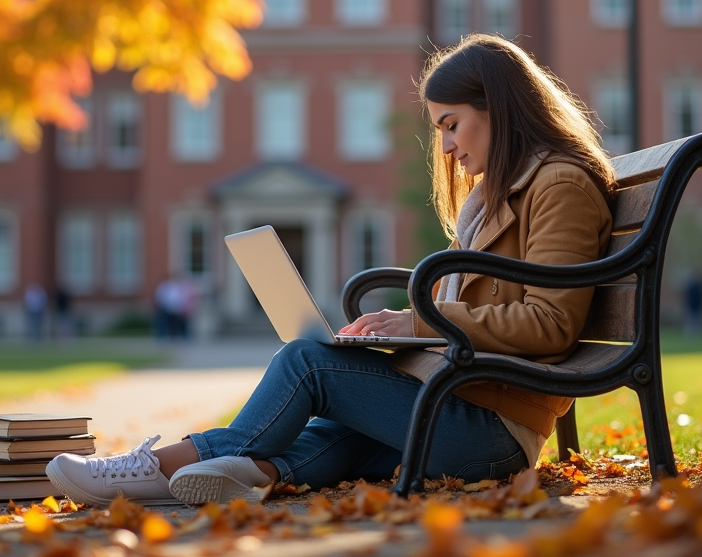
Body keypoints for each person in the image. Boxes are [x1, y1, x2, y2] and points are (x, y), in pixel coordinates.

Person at [46, 35, 616, 507]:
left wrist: (419, 324)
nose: (445, 147)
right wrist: (399, 322)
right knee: (330, 433)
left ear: (499, 109)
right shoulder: (500, 195)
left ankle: (146, 469)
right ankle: (252, 474)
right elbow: (474, 310)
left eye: (451, 125)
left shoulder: (557, 184)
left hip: (489, 432)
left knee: (306, 361)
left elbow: (549, 324)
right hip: (458, 409)